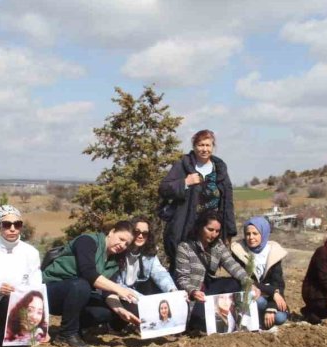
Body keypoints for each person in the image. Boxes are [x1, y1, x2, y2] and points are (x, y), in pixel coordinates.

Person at [42, 220, 140, 347]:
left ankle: (77, 330)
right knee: (81, 285)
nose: (122, 245)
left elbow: (108, 291)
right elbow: (89, 274)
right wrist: (119, 289)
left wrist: (120, 310)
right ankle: (66, 334)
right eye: (121, 239)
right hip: (51, 291)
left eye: (126, 244)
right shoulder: (87, 241)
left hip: (78, 295)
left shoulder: (114, 261)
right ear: (111, 232)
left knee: (105, 312)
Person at [159, 130, 237, 268]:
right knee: (183, 267)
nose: (204, 149)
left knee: (207, 267)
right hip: (185, 227)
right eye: (201, 145)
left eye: (208, 145)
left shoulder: (220, 169)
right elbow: (164, 189)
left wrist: (229, 231)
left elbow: (227, 202)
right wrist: (185, 182)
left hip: (211, 230)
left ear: (213, 147)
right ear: (194, 146)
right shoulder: (183, 165)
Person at [0, 204, 43, 347]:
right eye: (7, 225)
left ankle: (17, 341)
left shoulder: (31, 252)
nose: (12, 228)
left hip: (23, 305)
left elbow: (36, 284)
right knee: (7, 300)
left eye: (17, 224)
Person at [175, 210, 250, 332]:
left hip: (209, 288)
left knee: (235, 282)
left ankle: (232, 316)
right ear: (200, 227)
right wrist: (193, 291)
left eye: (217, 231)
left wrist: (249, 283)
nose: (214, 234)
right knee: (201, 321)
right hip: (194, 294)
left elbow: (232, 265)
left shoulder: (218, 245)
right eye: (210, 230)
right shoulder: (184, 248)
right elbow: (182, 279)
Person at [104, 216, 177, 324]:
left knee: (158, 290)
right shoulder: (119, 251)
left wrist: (172, 290)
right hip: (121, 295)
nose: (140, 235)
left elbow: (159, 273)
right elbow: (117, 284)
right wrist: (144, 301)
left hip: (138, 292)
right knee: (141, 311)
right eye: (137, 232)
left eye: (145, 233)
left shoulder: (149, 252)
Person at [230, 216, 289, 330]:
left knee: (280, 318)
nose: (251, 237)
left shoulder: (273, 252)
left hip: (269, 297)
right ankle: (256, 319)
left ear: (263, 233)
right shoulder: (239, 252)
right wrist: (273, 292)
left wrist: (271, 308)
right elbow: (244, 280)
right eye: (248, 234)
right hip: (250, 295)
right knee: (259, 301)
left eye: (255, 233)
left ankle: (263, 317)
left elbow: (278, 283)